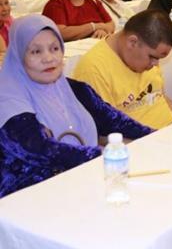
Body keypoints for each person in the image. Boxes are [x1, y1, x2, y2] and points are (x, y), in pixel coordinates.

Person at [0, 15, 152, 198]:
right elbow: (38, 148)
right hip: (29, 195)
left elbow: (113, 120)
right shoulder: (8, 99)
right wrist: (102, 155)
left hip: (83, 180)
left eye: (55, 48)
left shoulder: (74, 89)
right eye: (35, 52)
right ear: (18, 57)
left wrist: (154, 135)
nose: (48, 58)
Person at [73, 10, 172, 130]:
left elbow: (160, 96)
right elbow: (104, 133)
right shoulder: (93, 70)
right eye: (152, 57)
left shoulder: (145, 55)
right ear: (132, 42)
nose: (156, 64)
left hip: (171, 131)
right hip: (142, 139)